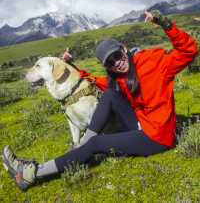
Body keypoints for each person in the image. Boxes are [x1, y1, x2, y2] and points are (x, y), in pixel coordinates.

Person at [2, 11, 198, 191]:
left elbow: (188, 51)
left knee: (96, 143)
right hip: (141, 122)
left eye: (117, 56)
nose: (117, 63)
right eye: (110, 63)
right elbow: (99, 81)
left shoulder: (156, 63)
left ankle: (31, 173)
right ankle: (83, 148)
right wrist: (71, 66)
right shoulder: (119, 77)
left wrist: (164, 23)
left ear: (124, 48)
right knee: (110, 95)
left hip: (157, 136)